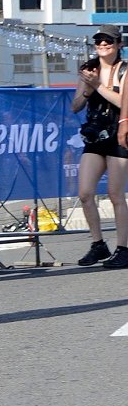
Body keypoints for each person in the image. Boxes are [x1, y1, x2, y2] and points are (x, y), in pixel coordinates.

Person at [75, 30, 128, 267]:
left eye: (108, 41)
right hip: (95, 136)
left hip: (119, 136)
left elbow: (123, 102)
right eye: (98, 41)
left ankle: (123, 248)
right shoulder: (89, 69)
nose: (103, 44)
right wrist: (87, 88)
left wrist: (98, 86)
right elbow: (75, 106)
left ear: (118, 44)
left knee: (116, 195)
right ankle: (98, 244)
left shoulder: (125, 70)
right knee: (85, 193)